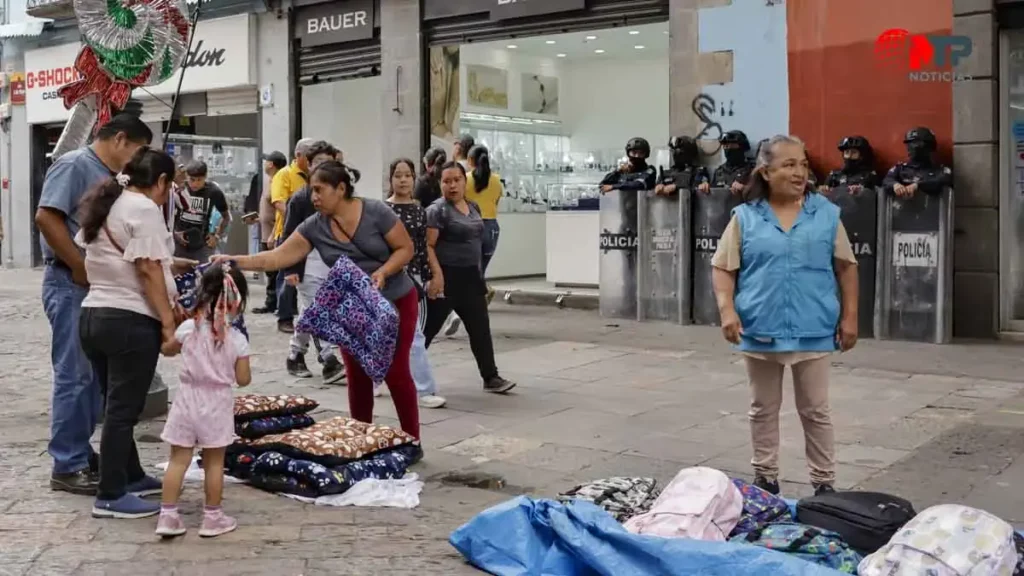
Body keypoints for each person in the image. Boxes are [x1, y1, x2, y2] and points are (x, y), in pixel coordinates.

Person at [212, 161, 422, 439]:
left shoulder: (375, 212)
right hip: (352, 308)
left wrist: (383, 272)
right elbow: (277, 257)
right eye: (312, 191)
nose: (314, 197)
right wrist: (235, 260)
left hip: (395, 300)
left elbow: (405, 248)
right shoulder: (314, 226)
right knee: (356, 375)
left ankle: (412, 439)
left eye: (320, 190)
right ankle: (360, 439)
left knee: (395, 371)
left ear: (341, 188)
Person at [710, 134, 859, 497]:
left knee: (815, 410)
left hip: (814, 325)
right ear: (766, 171)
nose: (799, 172)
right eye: (789, 165)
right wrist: (727, 311)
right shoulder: (745, 217)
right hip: (760, 325)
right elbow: (723, 267)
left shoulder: (824, 213)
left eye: (803, 164)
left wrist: (850, 317)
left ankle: (824, 483)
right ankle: (766, 477)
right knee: (762, 408)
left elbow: (846, 267)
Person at [35, 113, 153, 495]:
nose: (138, 160)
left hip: (98, 288)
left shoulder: (114, 178)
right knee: (76, 376)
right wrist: (79, 265)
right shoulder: (73, 165)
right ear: (120, 139)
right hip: (70, 284)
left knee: (96, 380)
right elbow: (46, 218)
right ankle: (67, 464)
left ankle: (85, 455)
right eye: (138, 151)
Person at [77, 146, 188, 518]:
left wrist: (172, 265)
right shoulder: (144, 208)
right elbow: (147, 270)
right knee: (124, 410)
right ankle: (110, 494)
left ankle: (132, 475)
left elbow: (129, 258)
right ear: (160, 181)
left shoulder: (110, 203)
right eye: (170, 185)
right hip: (128, 321)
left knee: (115, 403)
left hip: (94, 316)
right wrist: (169, 324)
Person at [156, 264, 251, 539]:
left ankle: (168, 516)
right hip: (217, 403)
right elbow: (243, 379)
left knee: (178, 460)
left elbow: (168, 350)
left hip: (187, 398)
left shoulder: (188, 329)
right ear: (237, 301)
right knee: (213, 462)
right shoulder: (237, 340)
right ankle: (212, 518)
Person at [424, 161, 516, 394]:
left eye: (457, 180)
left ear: (465, 182)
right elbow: (428, 246)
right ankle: (400, 374)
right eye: (447, 181)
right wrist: (436, 276)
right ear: (440, 183)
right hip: (446, 278)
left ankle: (491, 377)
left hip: (471, 279)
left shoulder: (473, 206)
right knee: (426, 332)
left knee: (480, 330)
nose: (452, 185)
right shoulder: (437, 210)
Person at [280, 141, 345, 384]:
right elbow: (287, 236)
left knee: (311, 311)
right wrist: (290, 268)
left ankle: (295, 354)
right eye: (317, 163)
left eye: (327, 163)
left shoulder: (339, 197)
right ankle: (329, 360)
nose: (322, 168)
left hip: (331, 262)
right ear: (308, 165)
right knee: (319, 310)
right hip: (306, 262)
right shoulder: (300, 199)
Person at [385, 158, 447, 409]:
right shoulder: (382, 210)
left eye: (407, 175)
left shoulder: (420, 210)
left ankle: (424, 388)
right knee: (384, 332)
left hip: (412, 280)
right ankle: (378, 378)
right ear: (390, 179)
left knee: (414, 334)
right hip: (388, 277)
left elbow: (422, 248)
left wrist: (430, 276)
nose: (402, 180)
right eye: (398, 175)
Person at [270, 138, 316, 333]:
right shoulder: (285, 175)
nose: (314, 161)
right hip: (290, 232)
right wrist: (301, 218)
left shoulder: (314, 176)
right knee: (287, 276)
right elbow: (279, 202)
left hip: (312, 235)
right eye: (310, 157)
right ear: (299, 156)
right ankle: (285, 316)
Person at [251, 151, 288, 315]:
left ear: (271, 164)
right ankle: (272, 302)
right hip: (266, 231)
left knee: (273, 270)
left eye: (267, 161)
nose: (265, 163)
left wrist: (274, 233)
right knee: (270, 271)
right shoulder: (270, 181)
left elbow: (280, 212)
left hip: (272, 233)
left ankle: (274, 303)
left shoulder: (278, 182)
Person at [172, 160, 230, 262]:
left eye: (199, 180)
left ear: (205, 176)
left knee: (203, 275)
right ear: (187, 176)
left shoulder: (213, 191)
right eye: (192, 179)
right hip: (179, 243)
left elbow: (226, 217)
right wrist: (174, 233)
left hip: (202, 246)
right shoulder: (179, 189)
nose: (195, 184)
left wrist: (216, 236)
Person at [466, 145, 503, 296]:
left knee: (471, 267)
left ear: (470, 160)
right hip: (491, 227)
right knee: (481, 268)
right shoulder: (496, 180)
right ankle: (483, 291)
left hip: (471, 225)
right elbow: (496, 200)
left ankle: (480, 294)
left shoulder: (466, 179)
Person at [882, 127, 952, 199]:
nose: (911, 147)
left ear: (928, 146)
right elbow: (887, 180)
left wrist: (918, 186)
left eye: (915, 143)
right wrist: (895, 185)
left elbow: (942, 181)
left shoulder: (940, 170)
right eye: (909, 144)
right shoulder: (900, 169)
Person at [703, 130, 755, 194]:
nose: (728, 148)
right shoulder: (719, 171)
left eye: (732, 145)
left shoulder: (751, 170)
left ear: (742, 147)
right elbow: (713, 194)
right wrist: (705, 187)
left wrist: (744, 188)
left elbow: (759, 194)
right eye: (726, 146)